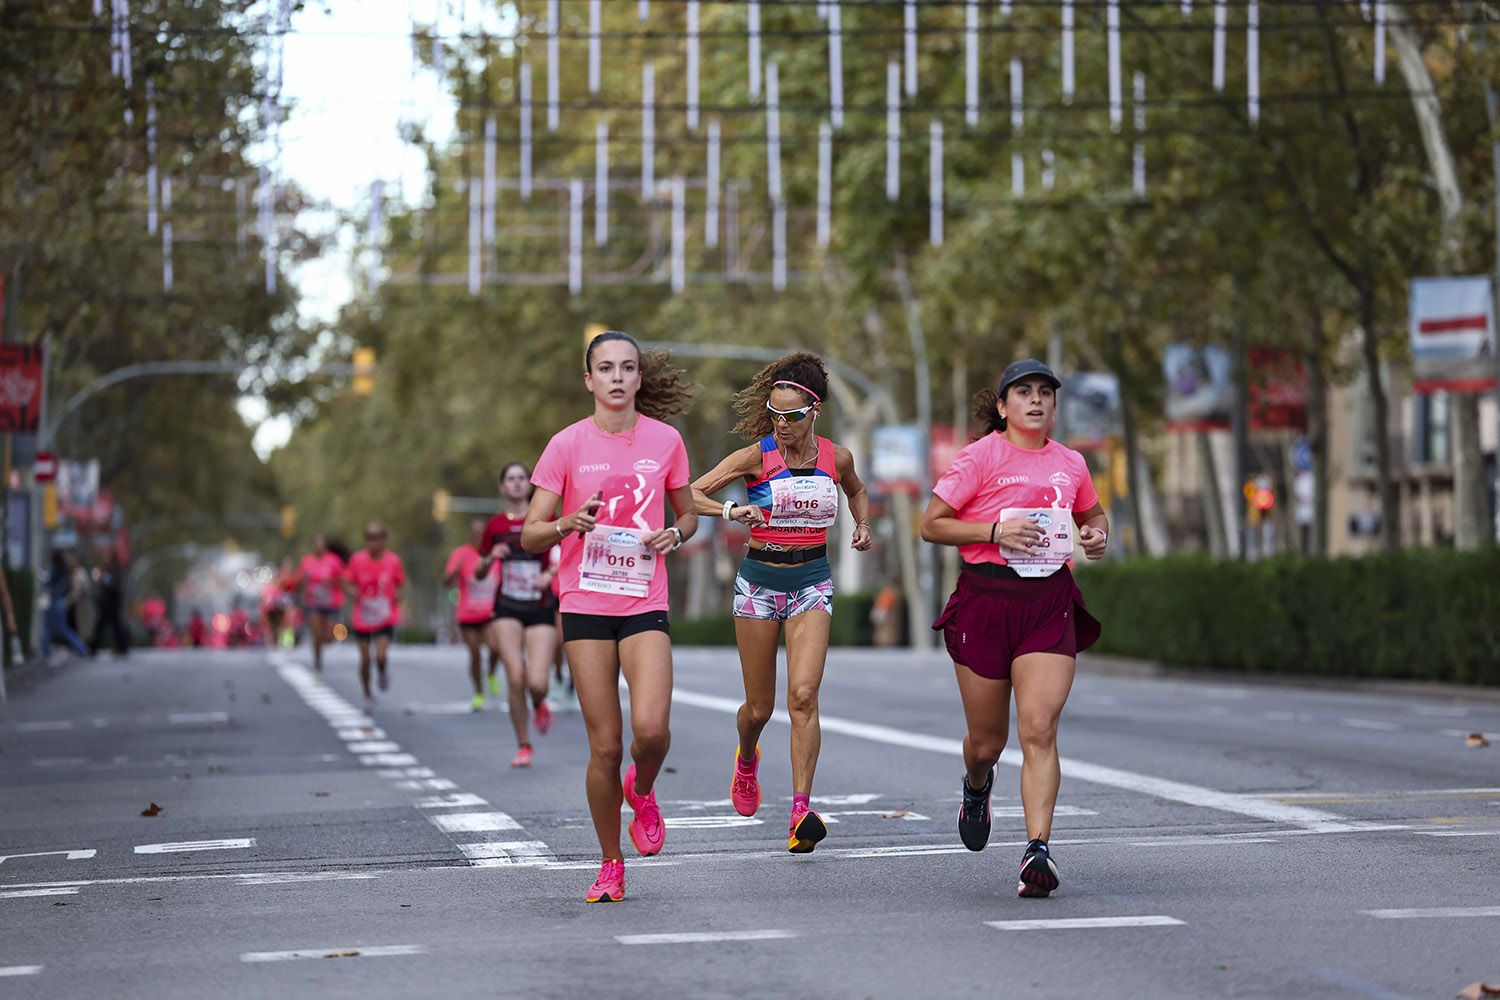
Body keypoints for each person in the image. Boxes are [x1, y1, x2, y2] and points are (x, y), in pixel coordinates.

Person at [920, 359, 1108, 899]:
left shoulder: (1070, 463)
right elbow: (931, 524)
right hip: (985, 599)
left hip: (1048, 601)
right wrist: (995, 529)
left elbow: (1095, 517)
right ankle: (976, 787)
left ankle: (1037, 850)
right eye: (1023, 392)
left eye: (1045, 393)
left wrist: (1095, 536)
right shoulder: (978, 458)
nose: (1035, 400)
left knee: (1039, 727)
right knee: (987, 742)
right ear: (1003, 406)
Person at [521, 330, 698, 903]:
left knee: (652, 730)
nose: (617, 377)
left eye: (627, 367)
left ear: (640, 378)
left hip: (645, 600)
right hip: (585, 605)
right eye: (606, 368)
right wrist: (567, 524)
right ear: (589, 379)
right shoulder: (566, 445)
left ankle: (642, 790)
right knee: (605, 746)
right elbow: (529, 533)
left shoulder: (666, 440)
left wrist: (676, 531)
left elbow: (688, 513)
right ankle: (610, 862)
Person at [689, 352, 871, 853]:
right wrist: (731, 508)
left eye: (792, 416)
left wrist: (863, 524)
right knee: (760, 708)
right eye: (775, 414)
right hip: (759, 583)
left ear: (814, 411)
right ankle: (747, 756)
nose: (782, 425)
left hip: (812, 579)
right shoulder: (757, 456)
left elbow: (856, 492)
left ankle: (800, 811)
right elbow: (691, 493)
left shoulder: (838, 458)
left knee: (805, 697)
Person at [479, 462, 561, 767]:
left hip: (539, 605)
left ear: (530, 484)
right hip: (507, 607)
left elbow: (563, 551)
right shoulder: (495, 526)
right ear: (503, 487)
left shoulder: (543, 518)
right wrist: (490, 558)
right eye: (510, 479)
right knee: (516, 676)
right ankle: (524, 745)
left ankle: (539, 702)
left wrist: (550, 573)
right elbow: (477, 571)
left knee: (537, 682)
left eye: (521, 478)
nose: (516, 484)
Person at [342, 523, 406, 713]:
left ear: (384, 540)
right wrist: (352, 591)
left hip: (385, 616)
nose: (371, 541)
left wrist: (399, 595)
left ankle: (383, 670)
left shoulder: (393, 561)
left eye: (376, 537)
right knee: (365, 659)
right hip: (363, 617)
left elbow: (401, 584)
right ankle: (367, 694)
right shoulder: (357, 559)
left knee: (380, 655)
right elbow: (346, 582)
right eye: (368, 537)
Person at [444, 519, 501, 711]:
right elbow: (445, 582)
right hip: (467, 615)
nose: (478, 538)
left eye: (481, 534)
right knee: (475, 654)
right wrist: (455, 573)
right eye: (475, 534)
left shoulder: (495, 554)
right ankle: (478, 693)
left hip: (490, 612)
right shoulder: (460, 554)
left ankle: (492, 673)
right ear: (470, 535)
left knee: (495, 648)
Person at [298, 534, 347, 675]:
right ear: (314, 546)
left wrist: (331, 582)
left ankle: (324, 645)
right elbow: (300, 581)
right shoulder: (306, 561)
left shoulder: (334, 561)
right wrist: (304, 582)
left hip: (331, 603)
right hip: (313, 603)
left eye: (321, 544)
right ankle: (318, 661)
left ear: (324, 546)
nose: (319, 547)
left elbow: (342, 579)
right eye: (316, 544)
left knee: (329, 637)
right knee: (317, 634)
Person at [41, 551, 89, 657]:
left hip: (53, 602)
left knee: (48, 628)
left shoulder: (56, 571)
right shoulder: (65, 570)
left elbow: (48, 583)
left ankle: (45, 652)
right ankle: (81, 647)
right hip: (61, 602)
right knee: (63, 628)